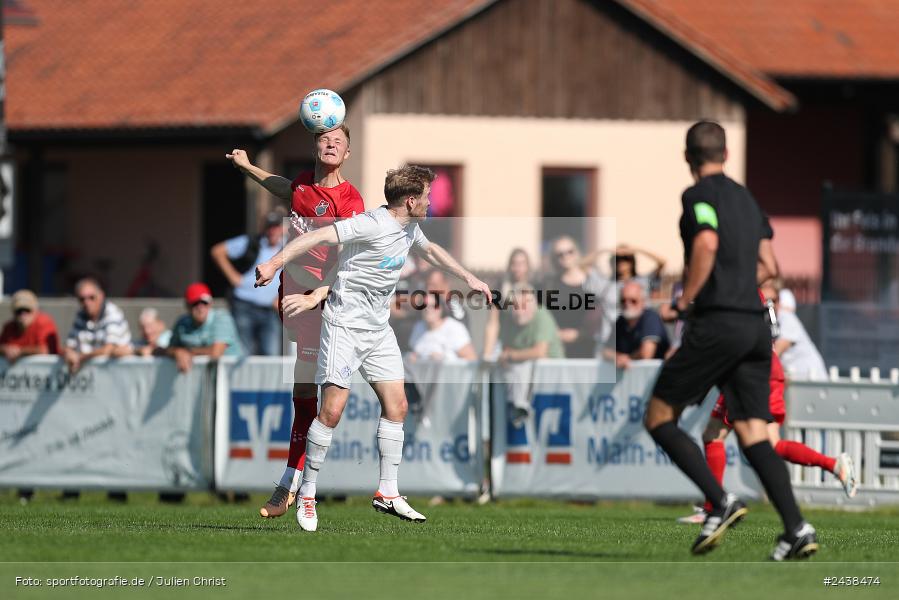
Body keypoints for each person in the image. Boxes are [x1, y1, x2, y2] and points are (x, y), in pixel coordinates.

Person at [254, 165, 491, 532]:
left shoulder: (409, 227)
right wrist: (273, 263)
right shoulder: (371, 224)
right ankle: (308, 494)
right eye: (427, 196)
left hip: (378, 329)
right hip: (345, 325)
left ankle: (388, 492)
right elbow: (316, 240)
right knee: (331, 411)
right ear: (411, 200)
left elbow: (432, 251)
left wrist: (470, 278)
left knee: (398, 406)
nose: (431, 203)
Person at [643, 121, 817, 561]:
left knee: (659, 416)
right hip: (756, 326)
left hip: (718, 323)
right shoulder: (746, 198)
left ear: (688, 157)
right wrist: (739, 284)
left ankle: (719, 501)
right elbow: (769, 263)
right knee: (753, 431)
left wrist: (689, 300)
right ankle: (796, 529)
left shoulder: (698, 196)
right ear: (726, 153)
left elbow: (705, 241)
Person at [227, 124, 364, 519]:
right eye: (324, 138)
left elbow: (350, 259)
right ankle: (296, 483)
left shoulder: (350, 199)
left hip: (327, 304)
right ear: (314, 145)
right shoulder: (304, 184)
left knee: (326, 400)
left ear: (348, 153)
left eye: (338, 140)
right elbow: (285, 188)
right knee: (303, 397)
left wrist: (319, 294)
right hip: (298, 304)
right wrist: (248, 166)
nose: (331, 144)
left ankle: (295, 484)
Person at [677, 284, 857, 525]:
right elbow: (771, 330)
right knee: (770, 445)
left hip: (748, 369)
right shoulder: (750, 288)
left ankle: (714, 508)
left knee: (713, 434)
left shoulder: (730, 288)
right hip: (767, 367)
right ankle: (835, 465)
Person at [484, 284, 564, 426]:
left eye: (523, 306)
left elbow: (540, 352)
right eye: (516, 306)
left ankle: (520, 406)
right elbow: (505, 348)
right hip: (518, 378)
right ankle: (494, 408)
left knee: (524, 363)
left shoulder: (542, 316)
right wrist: (505, 357)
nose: (519, 312)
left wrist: (510, 356)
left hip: (550, 375)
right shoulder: (508, 319)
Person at [210, 209, 286, 356]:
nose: (273, 231)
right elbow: (217, 251)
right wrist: (233, 277)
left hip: (270, 309)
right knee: (245, 353)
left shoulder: (288, 246)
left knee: (271, 354)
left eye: (276, 226)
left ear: (283, 228)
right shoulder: (252, 243)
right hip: (244, 305)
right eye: (270, 227)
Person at [540, 236, 607, 358]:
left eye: (570, 251)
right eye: (560, 254)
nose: (565, 256)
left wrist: (581, 334)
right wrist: (556, 334)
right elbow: (544, 316)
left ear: (577, 253)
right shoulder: (550, 285)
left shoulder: (593, 283)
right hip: (558, 350)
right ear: (554, 259)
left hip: (589, 350)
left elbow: (602, 317)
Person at [167, 283, 244, 372]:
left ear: (210, 303)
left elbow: (216, 353)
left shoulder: (222, 318)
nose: (200, 307)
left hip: (233, 375)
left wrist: (188, 352)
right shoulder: (182, 323)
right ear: (187, 306)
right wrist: (177, 352)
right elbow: (169, 349)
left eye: (204, 302)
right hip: (203, 378)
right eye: (195, 303)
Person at [64, 278, 132, 373]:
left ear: (101, 296)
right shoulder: (81, 315)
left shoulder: (112, 313)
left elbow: (108, 349)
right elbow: (69, 345)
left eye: (91, 297)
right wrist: (70, 354)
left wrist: (80, 357)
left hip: (117, 375)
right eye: (82, 299)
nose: (87, 303)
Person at [603, 281, 669, 368]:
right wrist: (617, 358)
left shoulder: (651, 318)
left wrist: (626, 359)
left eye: (633, 301)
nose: (627, 304)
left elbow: (646, 354)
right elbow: (605, 351)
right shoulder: (620, 321)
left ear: (643, 301)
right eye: (623, 300)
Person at [772, 284, 827, 379]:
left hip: (810, 380)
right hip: (804, 379)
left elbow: (776, 352)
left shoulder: (786, 317)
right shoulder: (780, 318)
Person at [407, 293, 476, 363]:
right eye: (424, 305)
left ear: (441, 308)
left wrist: (443, 359)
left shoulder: (454, 328)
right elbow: (414, 352)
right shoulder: (418, 327)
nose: (428, 309)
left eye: (433, 306)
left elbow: (471, 359)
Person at [0, 290, 60, 363]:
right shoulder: (9, 326)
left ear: (35, 311)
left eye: (27, 310)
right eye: (19, 311)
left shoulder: (43, 323)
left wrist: (19, 351)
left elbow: (44, 350)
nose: (23, 315)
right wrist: (6, 350)